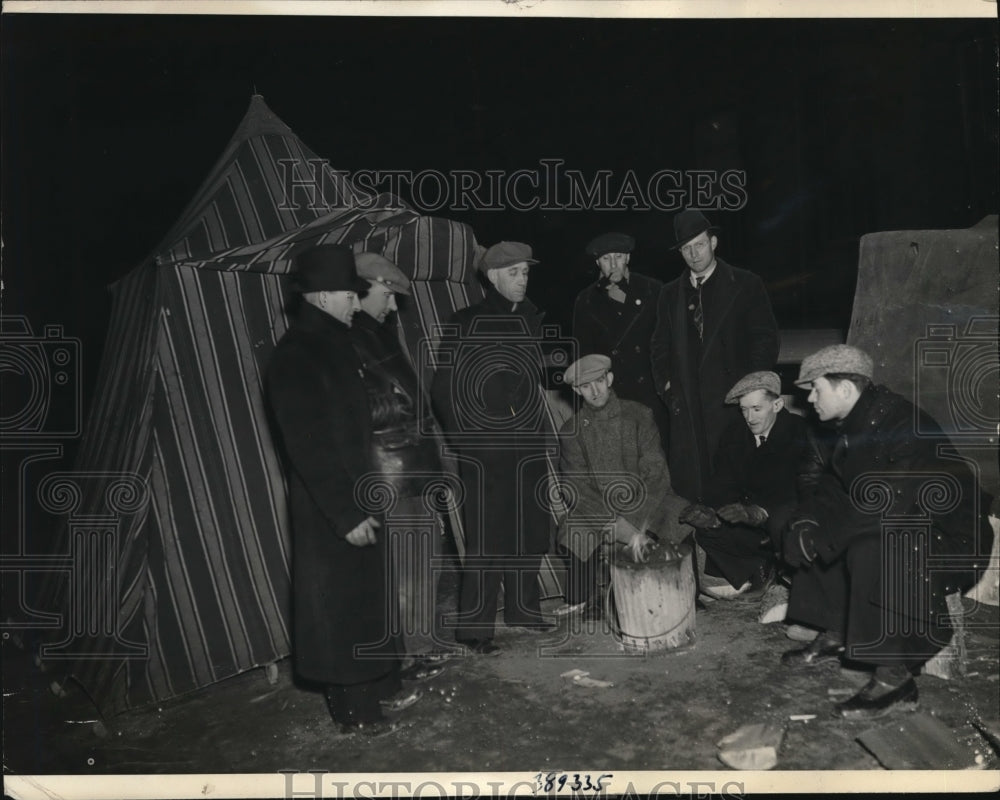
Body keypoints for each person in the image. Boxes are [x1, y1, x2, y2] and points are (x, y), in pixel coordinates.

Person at [780, 344, 993, 719]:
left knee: (866, 545)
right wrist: (807, 521)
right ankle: (838, 627)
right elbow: (833, 487)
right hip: (904, 520)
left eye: (815, 389)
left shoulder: (899, 424)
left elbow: (888, 502)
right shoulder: (854, 421)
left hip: (951, 537)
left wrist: (824, 537)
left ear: (845, 389)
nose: (809, 399)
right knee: (808, 528)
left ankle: (895, 678)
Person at [265, 243, 418, 735]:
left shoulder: (334, 342)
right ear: (322, 296)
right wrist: (345, 513)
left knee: (363, 600)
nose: (358, 302)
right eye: (350, 295)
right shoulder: (295, 357)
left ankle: (375, 689)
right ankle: (354, 712)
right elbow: (307, 449)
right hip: (332, 508)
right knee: (340, 607)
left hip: (359, 496)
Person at [431, 241, 556, 654]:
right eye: (515, 273)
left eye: (526, 272)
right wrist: (472, 444)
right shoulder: (466, 322)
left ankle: (523, 609)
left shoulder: (530, 320)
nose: (523, 280)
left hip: (528, 447)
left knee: (529, 528)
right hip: (486, 452)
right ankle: (475, 630)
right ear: (493, 277)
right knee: (487, 541)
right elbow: (445, 391)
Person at [350, 252, 449, 675]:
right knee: (407, 567)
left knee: (420, 561)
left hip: (411, 469)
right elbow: (372, 409)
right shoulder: (353, 337)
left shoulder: (380, 334)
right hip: (391, 472)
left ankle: (420, 645)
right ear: (363, 287)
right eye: (387, 295)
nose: (393, 307)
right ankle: (410, 654)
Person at [650, 209, 780, 503]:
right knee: (693, 494)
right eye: (686, 248)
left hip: (732, 403)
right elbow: (659, 347)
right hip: (688, 409)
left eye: (699, 244)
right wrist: (668, 388)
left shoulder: (745, 284)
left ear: (713, 243)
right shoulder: (670, 294)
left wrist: (750, 391)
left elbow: (765, 339)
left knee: (735, 487)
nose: (694, 254)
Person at [557, 354, 691, 619]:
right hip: (599, 506)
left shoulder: (640, 415)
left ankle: (685, 590)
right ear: (576, 390)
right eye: (585, 386)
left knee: (681, 513)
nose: (594, 391)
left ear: (609, 379)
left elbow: (655, 471)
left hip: (645, 500)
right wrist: (614, 524)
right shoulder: (570, 430)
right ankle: (588, 598)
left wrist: (631, 522)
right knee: (573, 528)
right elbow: (576, 486)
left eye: (598, 381)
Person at [680, 371, 811, 600]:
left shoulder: (800, 433)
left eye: (757, 409)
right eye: (744, 410)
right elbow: (723, 479)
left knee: (784, 521)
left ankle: (783, 576)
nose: (749, 418)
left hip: (781, 519)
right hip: (745, 519)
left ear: (778, 405)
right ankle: (758, 571)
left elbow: (802, 490)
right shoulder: (734, 434)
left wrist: (760, 512)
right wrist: (711, 510)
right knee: (706, 530)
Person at [572, 233, 667, 449]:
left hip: (654, 393)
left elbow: (667, 343)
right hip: (616, 397)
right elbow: (584, 357)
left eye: (618, 257)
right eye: (606, 259)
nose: (613, 264)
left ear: (628, 258)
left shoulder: (654, 290)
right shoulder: (586, 301)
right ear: (597, 262)